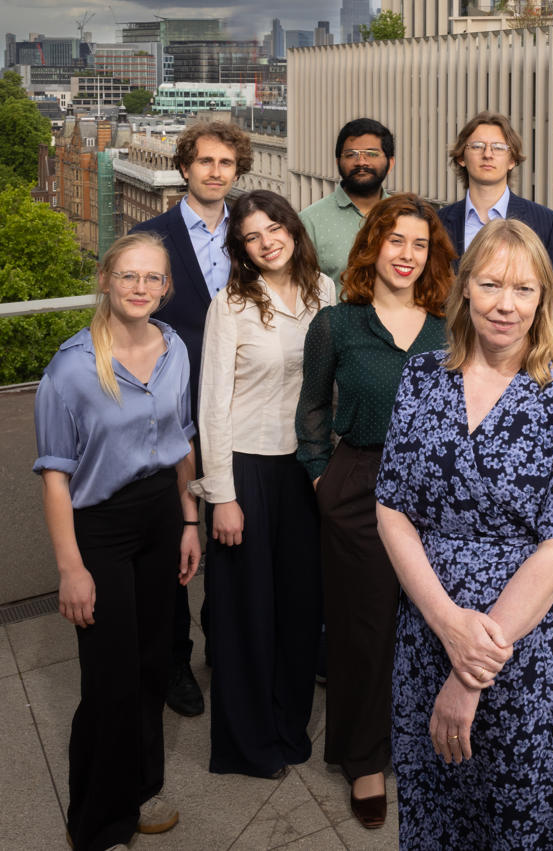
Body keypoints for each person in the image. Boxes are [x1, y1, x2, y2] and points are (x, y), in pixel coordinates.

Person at [375, 218, 553, 848]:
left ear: (545, 300)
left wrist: (472, 667)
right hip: (428, 625)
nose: (507, 304)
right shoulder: (423, 377)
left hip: (527, 644)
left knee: (527, 804)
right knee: (441, 805)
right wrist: (447, 622)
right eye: (491, 284)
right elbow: (392, 509)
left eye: (525, 290)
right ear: (465, 289)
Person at [33, 232, 201, 851]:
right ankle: (99, 824)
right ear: (105, 280)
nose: (139, 288)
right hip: (99, 527)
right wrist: (70, 567)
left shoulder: (176, 349)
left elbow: (184, 443)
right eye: (128, 276)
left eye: (151, 278)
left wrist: (189, 522)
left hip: (161, 512)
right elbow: (55, 479)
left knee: (154, 664)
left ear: (166, 288)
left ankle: (141, 787)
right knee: (109, 680)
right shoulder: (71, 368)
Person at [296, 193, 453, 829]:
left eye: (420, 244)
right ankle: (364, 758)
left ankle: (429, 743)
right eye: (396, 242)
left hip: (439, 493)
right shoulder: (337, 324)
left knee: (431, 623)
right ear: (373, 248)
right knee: (362, 631)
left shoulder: (452, 325)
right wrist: (319, 478)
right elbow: (311, 409)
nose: (407, 255)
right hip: (359, 482)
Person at [189, 190, 334, 778]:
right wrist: (221, 495)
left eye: (274, 228)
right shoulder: (230, 304)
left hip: (308, 467)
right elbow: (212, 405)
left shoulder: (327, 291)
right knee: (247, 612)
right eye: (252, 236)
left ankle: (288, 727)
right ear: (241, 248)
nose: (267, 241)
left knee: (301, 609)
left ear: (293, 229)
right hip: (246, 468)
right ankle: (247, 745)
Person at [132, 119, 254, 717]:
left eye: (226, 163)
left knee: (229, 530)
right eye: (204, 161)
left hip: (239, 408)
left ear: (237, 171)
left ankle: (223, 641)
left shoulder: (254, 237)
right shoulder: (150, 236)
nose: (214, 172)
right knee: (172, 537)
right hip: (172, 411)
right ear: (184, 167)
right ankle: (175, 660)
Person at [437, 111, 553, 331]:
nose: (488, 154)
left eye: (499, 147)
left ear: (512, 160)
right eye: (477, 146)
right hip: (450, 352)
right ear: (461, 157)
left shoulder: (546, 223)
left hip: (523, 356)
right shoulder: (437, 223)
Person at [300, 117, 395, 291]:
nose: (361, 162)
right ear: (338, 162)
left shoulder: (404, 216)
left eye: (372, 154)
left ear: (390, 163)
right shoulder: (309, 221)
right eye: (351, 155)